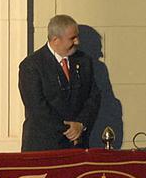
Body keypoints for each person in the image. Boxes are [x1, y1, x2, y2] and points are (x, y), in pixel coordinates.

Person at [18, 14, 101, 151]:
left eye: (77, 37)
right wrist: (69, 130)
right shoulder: (31, 66)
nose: (77, 42)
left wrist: (81, 124)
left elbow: (93, 97)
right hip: (43, 146)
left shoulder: (84, 61)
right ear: (55, 40)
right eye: (72, 38)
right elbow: (37, 107)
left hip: (76, 146)